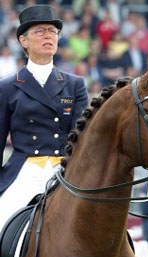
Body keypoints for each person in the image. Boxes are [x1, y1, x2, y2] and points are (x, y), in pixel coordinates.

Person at [0, 5, 89, 233]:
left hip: (63, 171)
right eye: (40, 31)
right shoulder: (7, 87)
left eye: (52, 31)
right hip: (24, 171)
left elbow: (81, 139)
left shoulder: (75, 85)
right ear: (23, 41)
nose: (48, 35)